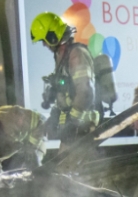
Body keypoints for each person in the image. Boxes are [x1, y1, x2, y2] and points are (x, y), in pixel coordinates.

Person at [30, 12, 100, 142]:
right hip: (73, 129)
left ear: (52, 36)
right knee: (65, 162)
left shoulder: (76, 54)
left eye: (44, 40)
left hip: (82, 128)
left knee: (69, 162)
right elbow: (67, 90)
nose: (44, 45)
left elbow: (86, 91)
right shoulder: (61, 56)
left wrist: (72, 121)